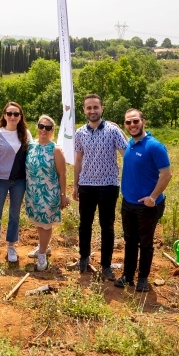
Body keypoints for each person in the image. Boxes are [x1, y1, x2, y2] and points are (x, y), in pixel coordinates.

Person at [115, 109, 172, 292]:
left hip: (147, 206)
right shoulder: (131, 143)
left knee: (145, 243)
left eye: (135, 121)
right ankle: (127, 276)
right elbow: (128, 138)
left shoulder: (155, 147)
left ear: (143, 122)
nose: (132, 125)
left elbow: (166, 174)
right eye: (128, 122)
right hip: (128, 203)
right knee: (130, 241)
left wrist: (153, 197)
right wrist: (117, 129)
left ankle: (143, 279)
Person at [72, 93, 128, 279]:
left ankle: (106, 265)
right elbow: (78, 160)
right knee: (84, 224)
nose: (92, 110)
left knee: (107, 226)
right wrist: (75, 185)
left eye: (95, 107)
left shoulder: (113, 131)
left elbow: (126, 154)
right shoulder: (79, 133)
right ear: (84, 110)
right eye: (89, 108)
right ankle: (84, 258)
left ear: (102, 108)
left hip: (108, 186)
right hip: (86, 185)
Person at [0, 101, 31, 263]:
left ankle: (11, 245)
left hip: (19, 181)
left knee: (14, 214)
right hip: (0, 180)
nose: (12, 116)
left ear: (20, 117)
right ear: (4, 116)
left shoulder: (26, 134)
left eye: (16, 114)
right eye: (9, 113)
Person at [25, 115, 68, 271]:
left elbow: (62, 174)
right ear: (37, 127)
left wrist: (63, 195)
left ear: (52, 131)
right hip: (33, 191)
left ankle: (42, 253)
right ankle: (44, 246)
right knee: (39, 222)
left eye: (48, 128)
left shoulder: (55, 149)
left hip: (49, 193)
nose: (44, 130)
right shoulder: (30, 146)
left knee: (46, 224)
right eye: (41, 126)